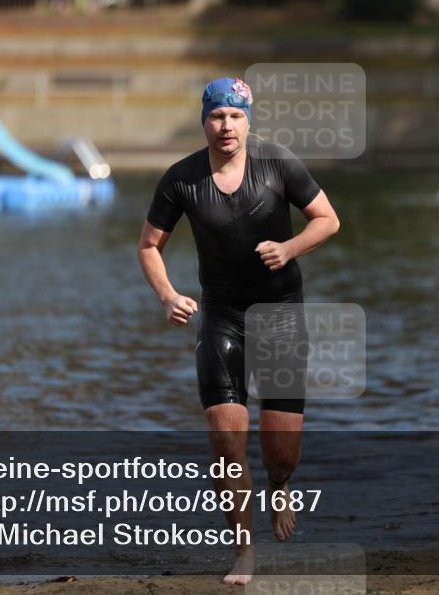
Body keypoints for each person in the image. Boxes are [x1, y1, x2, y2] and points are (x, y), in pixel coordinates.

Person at [137, 77, 340, 585]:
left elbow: (327, 219)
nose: (225, 125)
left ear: (248, 122)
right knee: (226, 440)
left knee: (280, 450)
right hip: (222, 316)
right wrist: (168, 295)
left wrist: (289, 248)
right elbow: (148, 246)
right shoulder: (181, 179)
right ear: (203, 121)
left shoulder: (278, 164)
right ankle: (244, 551)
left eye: (234, 116)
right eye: (215, 116)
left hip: (281, 316)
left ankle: (279, 482)